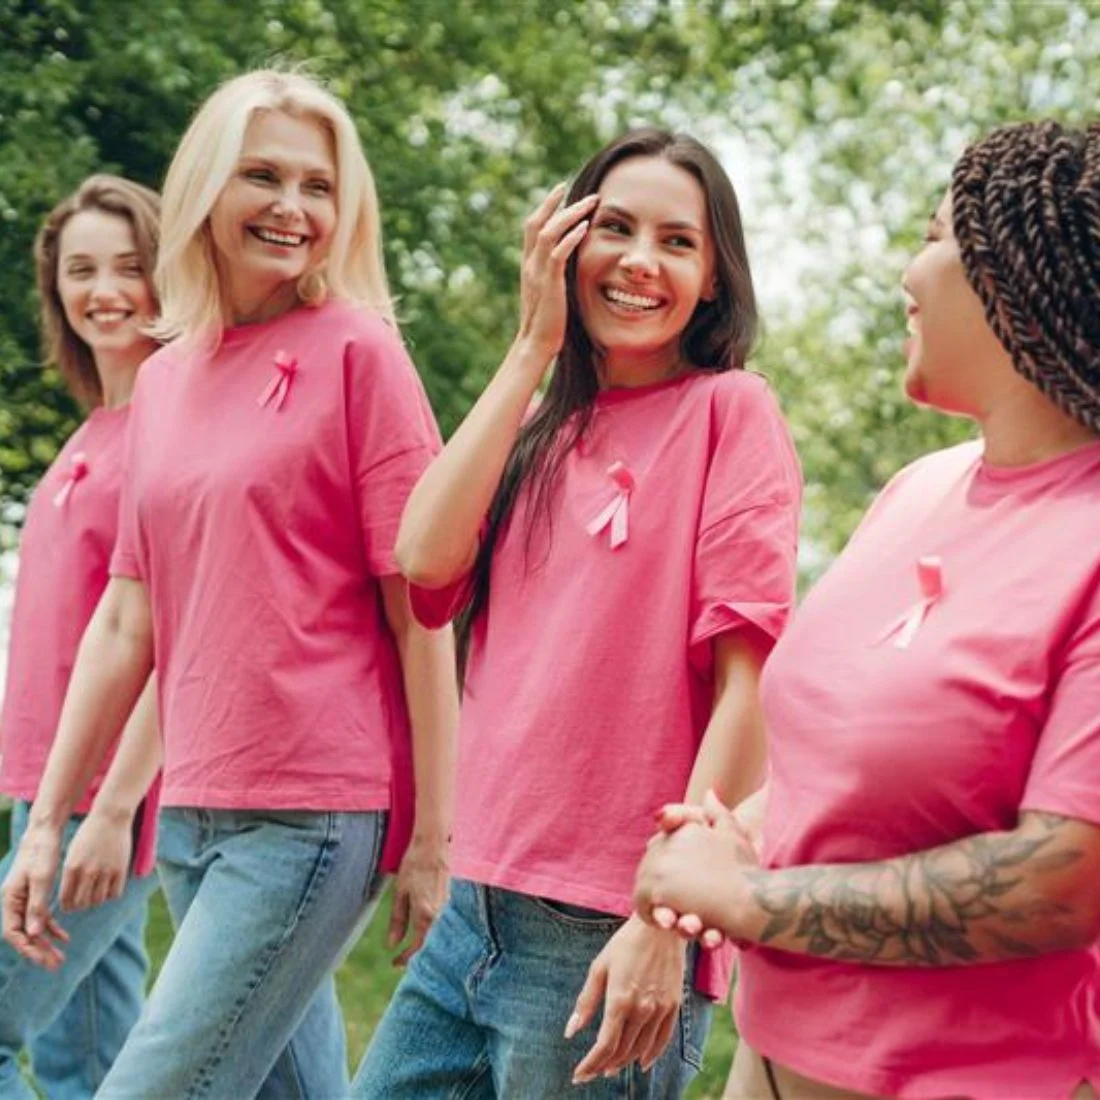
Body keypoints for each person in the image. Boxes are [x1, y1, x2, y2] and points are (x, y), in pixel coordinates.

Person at [1, 69, 457, 1099]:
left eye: (318, 184)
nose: (293, 207)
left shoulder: (360, 352)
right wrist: (46, 821)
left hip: (310, 810)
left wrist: (434, 835)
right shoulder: (164, 374)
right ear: (208, 186)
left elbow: (421, 613)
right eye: (262, 175)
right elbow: (130, 616)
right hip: (195, 811)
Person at [633, 119, 1100, 1100]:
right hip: (768, 1056)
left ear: (1013, 275)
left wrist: (746, 897)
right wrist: (722, 837)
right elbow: (827, 763)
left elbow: (1060, 879)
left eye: (933, 237)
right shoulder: (918, 489)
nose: (906, 270)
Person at [355, 129, 802, 1098]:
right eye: (614, 227)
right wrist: (529, 346)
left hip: (609, 924)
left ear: (715, 278)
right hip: (476, 907)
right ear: (563, 246)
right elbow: (421, 557)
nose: (639, 261)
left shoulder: (731, 413)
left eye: (677, 242)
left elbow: (747, 692)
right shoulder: (534, 426)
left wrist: (664, 919)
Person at [0, 175, 162, 1100]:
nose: (103, 289)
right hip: (45, 783)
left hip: (99, 794)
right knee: (85, 1057)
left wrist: (111, 807)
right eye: (80, 269)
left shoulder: (169, 430)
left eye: (130, 267)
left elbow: (173, 635)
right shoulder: (99, 426)